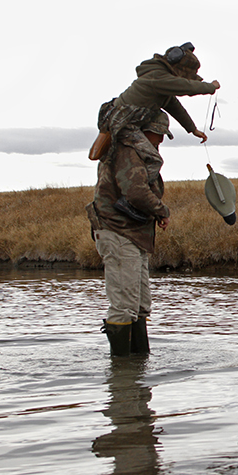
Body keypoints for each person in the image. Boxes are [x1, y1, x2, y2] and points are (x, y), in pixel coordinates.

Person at [86, 111, 173, 356]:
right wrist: (161, 210)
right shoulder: (127, 150)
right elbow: (135, 192)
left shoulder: (134, 151)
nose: (161, 140)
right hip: (118, 234)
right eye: (159, 133)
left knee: (140, 306)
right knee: (124, 307)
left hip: (132, 236)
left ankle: (138, 369)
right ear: (145, 131)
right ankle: (123, 377)